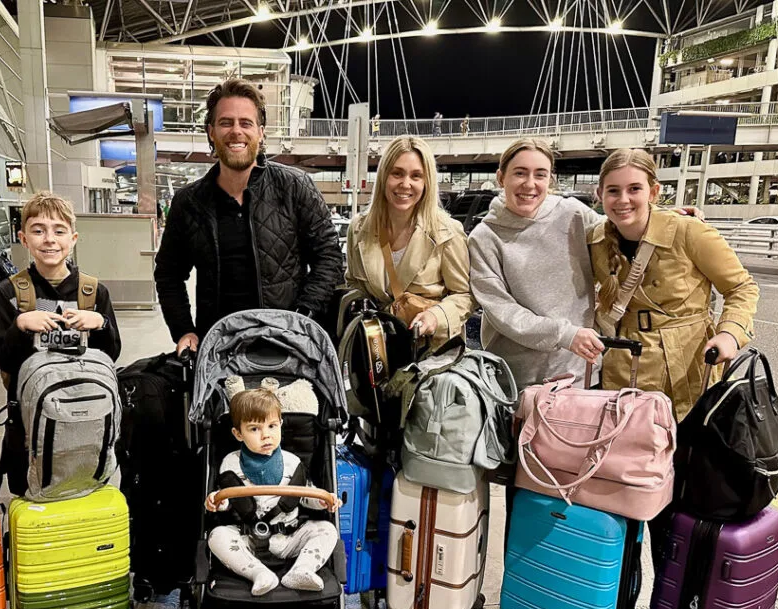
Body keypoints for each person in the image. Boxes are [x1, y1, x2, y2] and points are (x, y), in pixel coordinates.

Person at [154, 78, 343, 355]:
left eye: (246, 123)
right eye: (225, 122)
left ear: (261, 132)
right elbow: (168, 274)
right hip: (219, 349)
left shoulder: (295, 187)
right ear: (211, 132)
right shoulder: (189, 203)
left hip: (288, 346)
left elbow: (329, 258)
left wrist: (303, 317)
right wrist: (184, 329)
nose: (236, 131)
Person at [589, 148, 759, 421]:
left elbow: (741, 287)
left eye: (634, 189)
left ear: (653, 192)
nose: (623, 200)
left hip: (686, 365)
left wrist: (730, 333)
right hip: (625, 363)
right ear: (600, 195)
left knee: (688, 454)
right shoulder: (596, 241)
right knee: (628, 450)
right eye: (613, 191)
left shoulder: (688, 231)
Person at [0, 191, 122, 495]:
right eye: (38, 231)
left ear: (73, 238)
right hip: (27, 422)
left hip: (86, 415)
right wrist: (20, 326)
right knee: (29, 490)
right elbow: (1, 356)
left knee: (84, 488)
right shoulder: (9, 292)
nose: (49, 239)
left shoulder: (93, 292)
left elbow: (111, 354)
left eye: (59, 231)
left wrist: (100, 324)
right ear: (24, 239)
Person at [467, 138, 606, 390]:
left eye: (540, 175)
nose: (529, 184)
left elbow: (620, 233)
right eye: (519, 173)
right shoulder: (483, 237)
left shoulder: (574, 213)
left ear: (550, 180)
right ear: (501, 178)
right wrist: (565, 335)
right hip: (515, 380)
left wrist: (668, 219)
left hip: (581, 372)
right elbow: (502, 312)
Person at [204, 388, 341, 596]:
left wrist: (323, 501)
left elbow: (306, 495)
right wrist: (216, 501)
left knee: (328, 530)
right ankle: (259, 573)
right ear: (238, 434)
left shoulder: (292, 462)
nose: (266, 435)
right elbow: (227, 499)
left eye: (271, 426)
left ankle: (302, 570)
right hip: (246, 537)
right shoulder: (231, 463)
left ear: (281, 426)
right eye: (254, 429)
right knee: (216, 536)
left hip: (289, 536)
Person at [345, 135, 473, 350]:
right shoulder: (359, 229)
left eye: (416, 176)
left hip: (429, 354)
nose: (405, 184)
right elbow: (353, 284)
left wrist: (436, 316)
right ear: (384, 176)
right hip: (375, 351)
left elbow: (464, 295)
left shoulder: (447, 232)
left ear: (427, 182)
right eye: (397, 173)